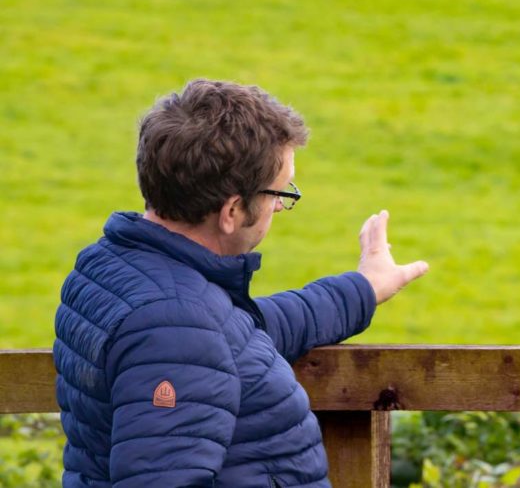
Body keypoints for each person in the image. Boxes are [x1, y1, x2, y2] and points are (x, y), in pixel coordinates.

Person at [52, 79, 429, 487]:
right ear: (232, 210)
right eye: (278, 193)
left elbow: (244, 332)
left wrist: (364, 288)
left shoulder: (121, 269)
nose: (279, 206)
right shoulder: (175, 324)